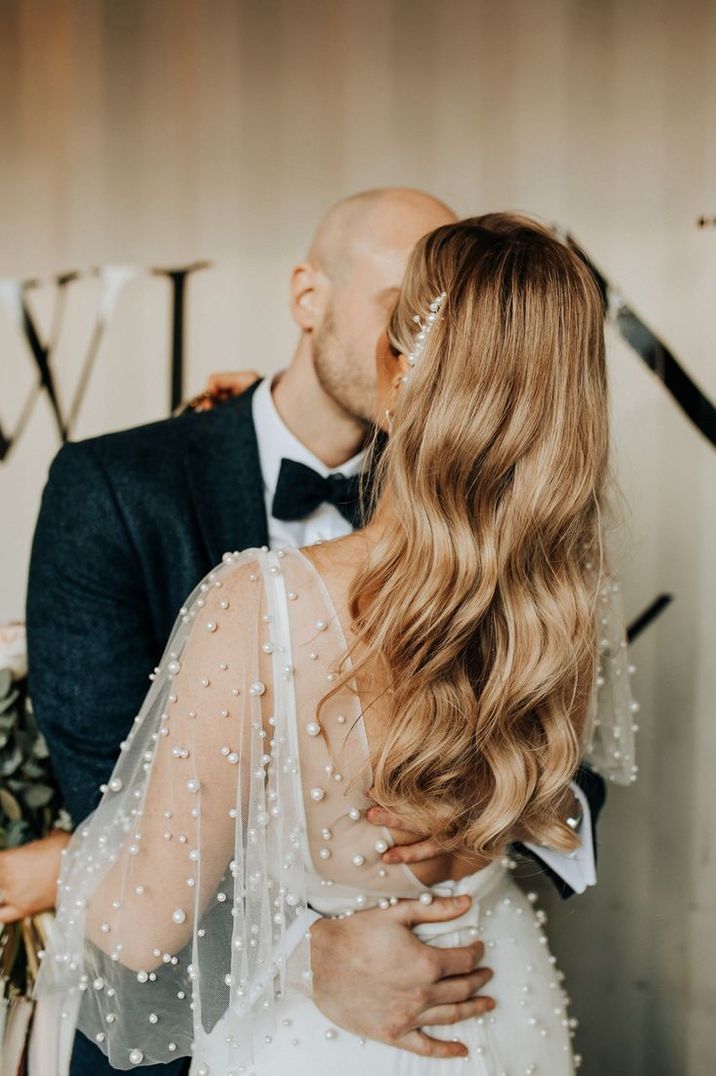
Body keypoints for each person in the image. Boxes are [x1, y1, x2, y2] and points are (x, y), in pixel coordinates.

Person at [9, 191, 607, 1074]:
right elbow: (105, 773)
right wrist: (297, 951)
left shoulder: (257, 601)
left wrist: (61, 867)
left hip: (399, 1011)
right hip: (487, 1008)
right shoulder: (563, 586)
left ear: (403, 367)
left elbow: (142, 916)